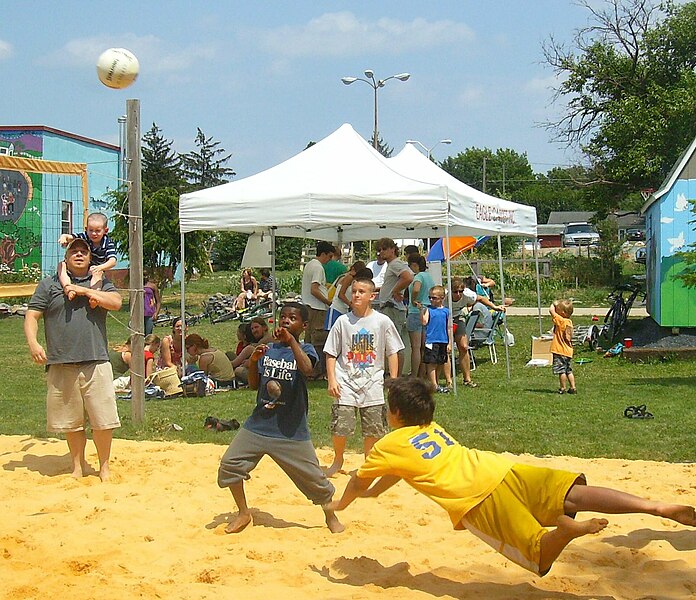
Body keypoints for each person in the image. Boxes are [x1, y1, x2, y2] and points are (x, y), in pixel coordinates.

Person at [328, 377, 696, 576]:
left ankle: (565, 532)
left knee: (538, 559)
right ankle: (656, 506)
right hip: (501, 469)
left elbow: (359, 480)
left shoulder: (389, 444)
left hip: (475, 499)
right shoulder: (431, 427)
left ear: (393, 413)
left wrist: (342, 503)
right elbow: (402, 470)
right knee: (574, 496)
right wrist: (377, 491)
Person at [217, 302, 344, 535]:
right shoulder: (269, 349)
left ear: (303, 325)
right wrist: (254, 361)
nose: (286, 320)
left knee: (315, 481)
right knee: (230, 465)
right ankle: (244, 513)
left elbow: (308, 370)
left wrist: (291, 342)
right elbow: (254, 385)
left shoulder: (305, 349)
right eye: (283, 317)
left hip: (290, 430)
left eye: (292, 318)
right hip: (259, 425)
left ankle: (330, 515)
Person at [24, 237, 122, 481]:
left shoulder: (100, 283)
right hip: (61, 361)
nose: (79, 254)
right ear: (66, 258)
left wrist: (84, 290)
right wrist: (33, 343)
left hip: (95, 360)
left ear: (90, 259)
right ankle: (77, 466)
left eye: (84, 251)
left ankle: (104, 467)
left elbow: (117, 303)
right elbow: (32, 316)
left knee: (103, 420)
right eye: (74, 251)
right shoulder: (49, 285)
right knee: (71, 422)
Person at [324, 276, 403, 477]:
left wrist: (393, 378)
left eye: (361, 291)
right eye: (354, 291)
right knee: (341, 425)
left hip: (372, 382)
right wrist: (332, 379)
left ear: (371, 296)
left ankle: (368, 462)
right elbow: (331, 353)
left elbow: (393, 351)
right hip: (345, 382)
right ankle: (338, 459)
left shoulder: (382, 321)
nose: (356, 295)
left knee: (373, 428)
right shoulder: (343, 321)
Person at [452, 277, 507, 388]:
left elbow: (481, 298)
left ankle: (467, 379)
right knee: (446, 348)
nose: (458, 294)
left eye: (460, 292)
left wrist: (495, 307)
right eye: (455, 292)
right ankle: (448, 381)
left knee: (463, 347)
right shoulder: (445, 295)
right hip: (445, 318)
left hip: (458, 317)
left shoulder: (468, 294)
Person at [57, 212, 117, 306]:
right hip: (86, 265)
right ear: (86, 229)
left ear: (105, 230)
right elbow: (70, 237)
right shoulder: (85, 236)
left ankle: (94, 297)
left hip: (97, 267)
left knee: (97, 275)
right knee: (62, 265)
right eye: (91, 230)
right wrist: (64, 237)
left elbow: (113, 261)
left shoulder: (108, 243)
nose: (93, 233)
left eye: (97, 231)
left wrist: (100, 268)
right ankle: (68, 288)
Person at [375, 238, 413, 376]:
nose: (381, 252)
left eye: (384, 249)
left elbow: (408, 278)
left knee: (393, 345)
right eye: (379, 250)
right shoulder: (393, 264)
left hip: (392, 308)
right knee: (395, 343)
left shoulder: (395, 263)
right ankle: (395, 375)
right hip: (392, 307)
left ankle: (395, 376)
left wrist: (395, 291)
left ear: (392, 249)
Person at [301, 241, 334, 379]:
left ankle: (309, 369)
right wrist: (327, 301)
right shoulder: (318, 268)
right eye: (330, 256)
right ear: (324, 254)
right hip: (316, 308)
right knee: (318, 340)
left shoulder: (310, 265)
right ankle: (317, 370)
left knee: (309, 339)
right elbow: (314, 289)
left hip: (309, 306)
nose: (330, 259)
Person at [406, 254, 435, 378]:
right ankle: (422, 374)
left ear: (414, 265)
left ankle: (413, 375)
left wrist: (413, 300)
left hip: (416, 311)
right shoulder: (429, 277)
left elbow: (416, 289)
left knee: (416, 347)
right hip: (427, 311)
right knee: (424, 347)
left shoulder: (418, 277)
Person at [419, 285, 452, 392]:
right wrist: (421, 311)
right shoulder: (429, 309)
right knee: (431, 362)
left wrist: (449, 342)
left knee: (440, 362)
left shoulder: (446, 311)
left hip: (443, 339)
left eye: (434, 298)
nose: (431, 300)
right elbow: (424, 322)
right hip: (431, 340)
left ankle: (436, 381)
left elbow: (449, 328)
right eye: (430, 298)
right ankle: (433, 384)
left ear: (442, 298)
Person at [324, 260, 366, 331]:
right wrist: (350, 305)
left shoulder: (355, 281)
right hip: (336, 308)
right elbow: (341, 294)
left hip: (344, 310)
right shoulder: (349, 277)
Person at [232, 317, 274, 384]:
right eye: (252, 329)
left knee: (238, 370)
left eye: (256, 327)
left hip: (263, 376)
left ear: (264, 327)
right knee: (231, 355)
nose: (254, 330)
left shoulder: (266, 340)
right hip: (260, 370)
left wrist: (247, 363)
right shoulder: (262, 340)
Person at [550, 299, 577, 394]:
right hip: (568, 351)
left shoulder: (561, 321)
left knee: (561, 371)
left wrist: (554, 303)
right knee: (569, 370)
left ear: (562, 312)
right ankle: (573, 387)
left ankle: (563, 388)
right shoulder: (569, 322)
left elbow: (551, 311)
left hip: (559, 350)